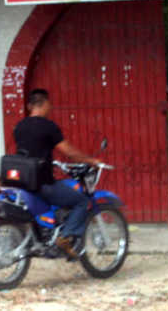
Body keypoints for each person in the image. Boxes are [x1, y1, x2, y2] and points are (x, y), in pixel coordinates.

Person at [13, 88, 103, 259]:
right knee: (82, 201)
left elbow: (30, 151)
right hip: (43, 184)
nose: (51, 107)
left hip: (23, 183)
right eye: (50, 104)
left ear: (30, 106)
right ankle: (65, 237)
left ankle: (50, 233)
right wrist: (91, 160)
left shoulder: (19, 127)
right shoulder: (48, 126)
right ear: (44, 104)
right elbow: (68, 151)